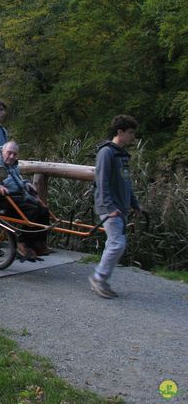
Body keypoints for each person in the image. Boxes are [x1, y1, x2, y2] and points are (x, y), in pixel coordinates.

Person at [89, 115, 141, 299]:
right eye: (130, 133)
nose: (133, 137)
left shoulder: (122, 155)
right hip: (109, 207)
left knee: (114, 243)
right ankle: (99, 278)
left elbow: (126, 183)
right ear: (120, 132)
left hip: (121, 207)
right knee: (117, 243)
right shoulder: (107, 153)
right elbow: (101, 182)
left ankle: (101, 279)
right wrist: (109, 207)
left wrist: (134, 204)